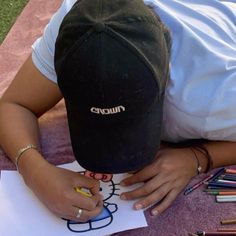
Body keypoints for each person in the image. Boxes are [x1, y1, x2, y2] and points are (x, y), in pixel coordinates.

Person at [0, 0, 236, 223]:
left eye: (130, 124)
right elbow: (13, 104)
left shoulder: (216, 94)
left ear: (166, 79)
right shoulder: (83, 25)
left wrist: (198, 158)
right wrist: (35, 172)